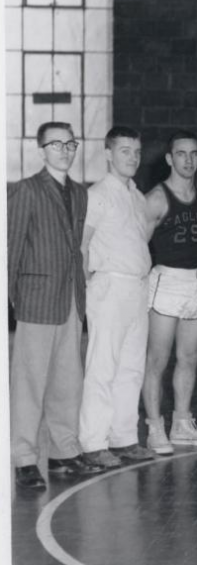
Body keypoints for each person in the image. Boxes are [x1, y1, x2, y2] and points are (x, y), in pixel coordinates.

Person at [8, 122, 103, 487]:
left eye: (70, 143)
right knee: (29, 382)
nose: (65, 150)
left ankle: (64, 452)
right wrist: (11, 299)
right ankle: (24, 457)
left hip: (69, 301)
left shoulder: (80, 193)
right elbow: (11, 248)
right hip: (36, 300)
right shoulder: (26, 191)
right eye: (56, 144)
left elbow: (75, 248)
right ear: (41, 149)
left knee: (68, 381)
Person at [78, 125, 155, 468]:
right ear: (108, 153)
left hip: (138, 287)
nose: (132, 158)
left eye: (136, 152)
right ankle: (93, 442)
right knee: (102, 366)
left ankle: (124, 437)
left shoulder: (138, 197)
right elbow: (81, 245)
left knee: (131, 367)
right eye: (125, 151)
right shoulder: (97, 194)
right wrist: (86, 287)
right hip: (109, 286)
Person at [142, 130, 197, 452]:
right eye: (181, 154)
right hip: (166, 282)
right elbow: (138, 246)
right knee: (157, 359)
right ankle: (155, 427)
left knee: (189, 357)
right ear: (170, 159)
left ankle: (182, 424)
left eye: (193, 154)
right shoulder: (156, 198)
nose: (188, 160)